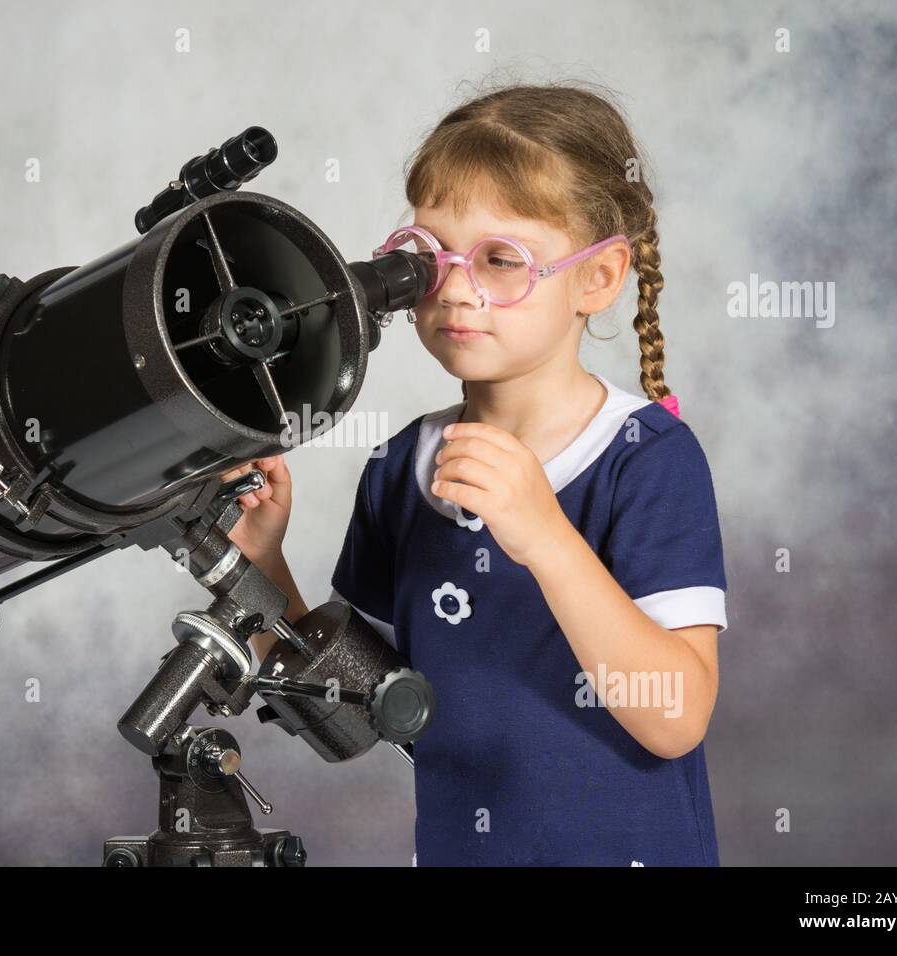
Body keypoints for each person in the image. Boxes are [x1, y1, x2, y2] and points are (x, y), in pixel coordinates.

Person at [222, 81, 728, 866]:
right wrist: (259, 567)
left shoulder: (648, 459)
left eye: (501, 260)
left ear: (597, 278)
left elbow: (677, 717)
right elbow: (355, 712)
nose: (456, 288)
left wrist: (546, 536)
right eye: (429, 257)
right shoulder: (399, 469)